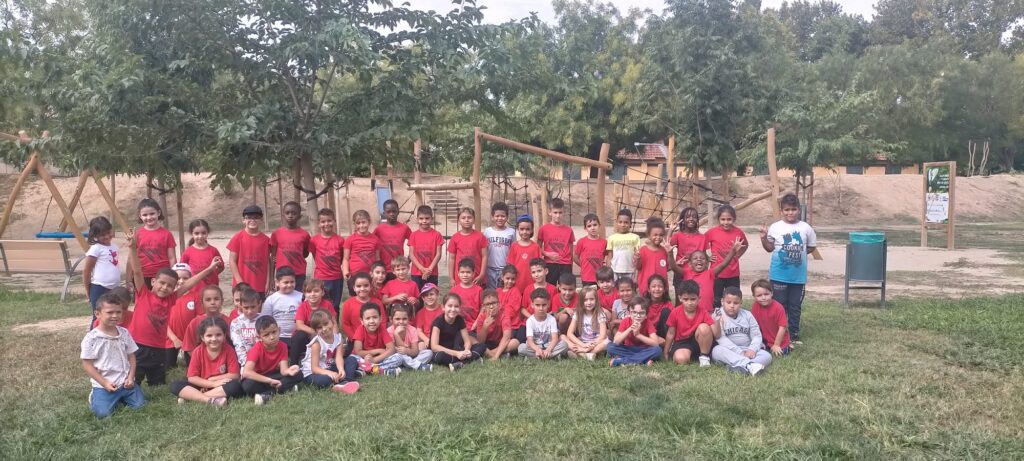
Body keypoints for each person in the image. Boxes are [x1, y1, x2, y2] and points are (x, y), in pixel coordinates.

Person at [126, 228, 219, 386]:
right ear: (153, 282)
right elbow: (137, 272)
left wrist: (209, 269)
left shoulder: (170, 299)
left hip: (159, 348)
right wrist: (132, 248)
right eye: (161, 283)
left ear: (174, 287)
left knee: (158, 384)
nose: (165, 287)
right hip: (138, 346)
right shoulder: (143, 294)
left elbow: (190, 283)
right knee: (133, 382)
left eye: (170, 285)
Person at [759, 193, 816, 345]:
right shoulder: (775, 227)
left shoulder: (806, 228)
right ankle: (778, 334)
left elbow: (811, 247)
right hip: (778, 276)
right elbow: (769, 248)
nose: (790, 213)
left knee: (795, 306)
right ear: (781, 210)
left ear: (799, 209)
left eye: (793, 209)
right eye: (787, 210)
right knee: (779, 305)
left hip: (797, 277)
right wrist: (764, 238)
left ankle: (794, 334)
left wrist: (797, 254)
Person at [81, 292, 144, 418]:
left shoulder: (124, 333)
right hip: (104, 385)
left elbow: (131, 357)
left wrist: (131, 377)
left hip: (125, 383)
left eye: (118, 312)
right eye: (109, 312)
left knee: (140, 406)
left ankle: (121, 397)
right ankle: (95, 397)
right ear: (97, 314)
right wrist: (104, 383)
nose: (115, 316)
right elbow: (87, 365)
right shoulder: (91, 338)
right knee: (102, 414)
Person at [169, 316, 243, 406]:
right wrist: (211, 384)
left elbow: (234, 375)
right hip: (201, 384)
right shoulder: (197, 351)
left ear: (224, 335)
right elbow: (192, 377)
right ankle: (211, 400)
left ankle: (191, 397)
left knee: (235, 386)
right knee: (175, 385)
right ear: (202, 337)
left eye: (218, 335)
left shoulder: (229, 350)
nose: (214, 339)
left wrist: (214, 380)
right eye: (209, 335)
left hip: (220, 385)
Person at [241, 316, 303, 405]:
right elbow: (246, 372)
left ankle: (268, 394)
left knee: (299, 374)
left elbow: (283, 371)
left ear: (279, 330)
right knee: (248, 386)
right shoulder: (256, 349)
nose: (272, 337)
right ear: (259, 337)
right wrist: (269, 381)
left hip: (274, 375)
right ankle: (286, 388)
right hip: (259, 378)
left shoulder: (283, 346)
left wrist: (289, 370)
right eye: (266, 335)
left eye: (274, 332)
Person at [711, 286, 771, 375]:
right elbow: (721, 339)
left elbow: (756, 335)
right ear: (722, 301)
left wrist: (752, 349)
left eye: (736, 303)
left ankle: (741, 366)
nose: (732, 306)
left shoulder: (747, 314)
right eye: (728, 302)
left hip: (747, 349)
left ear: (741, 303)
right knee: (716, 351)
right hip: (730, 350)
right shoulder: (718, 315)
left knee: (767, 355)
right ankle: (750, 365)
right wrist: (740, 352)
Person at [301, 310, 360, 394]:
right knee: (325, 380)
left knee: (352, 360)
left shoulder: (338, 338)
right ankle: (341, 381)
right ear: (315, 330)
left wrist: (341, 369)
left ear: (332, 321)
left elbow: (339, 357)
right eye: (319, 327)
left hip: (328, 366)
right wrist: (330, 373)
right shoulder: (316, 344)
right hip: (313, 373)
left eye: (326, 324)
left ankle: (346, 381)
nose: (324, 329)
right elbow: (314, 369)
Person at [686, 235, 744, 314]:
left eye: (702, 258)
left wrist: (733, 251)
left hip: (708, 312)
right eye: (695, 258)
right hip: (692, 312)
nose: (699, 260)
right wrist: (670, 254)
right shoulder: (686, 273)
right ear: (689, 264)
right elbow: (674, 267)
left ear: (707, 263)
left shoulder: (710, 273)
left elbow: (723, 264)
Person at [704, 205, 748, 307]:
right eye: (723, 219)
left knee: (733, 299)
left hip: (733, 273)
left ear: (734, 219)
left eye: (729, 219)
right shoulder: (712, 232)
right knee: (716, 300)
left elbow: (745, 245)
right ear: (718, 219)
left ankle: (731, 316)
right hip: (717, 274)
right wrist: (707, 258)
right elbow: (701, 244)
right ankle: (716, 316)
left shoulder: (738, 232)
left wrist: (737, 255)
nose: (726, 222)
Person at [663, 280, 714, 366]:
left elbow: (713, 330)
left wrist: (717, 321)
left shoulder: (703, 311)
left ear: (699, 298)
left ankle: (704, 357)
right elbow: (671, 333)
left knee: (704, 327)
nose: (689, 303)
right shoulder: (675, 312)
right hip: (682, 342)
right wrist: (666, 352)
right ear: (680, 298)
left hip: (698, 341)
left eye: (693, 299)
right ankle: (690, 355)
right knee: (681, 359)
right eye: (686, 299)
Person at [129, 198, 176, 289]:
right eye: (145, 215)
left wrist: (173, 275)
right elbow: (131, 257)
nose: (149, 217)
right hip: (141, 276)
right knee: (143, 298)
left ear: (158, 213)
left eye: (152, 213)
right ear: (140, 216)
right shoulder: (136, 234)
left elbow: (172, 258)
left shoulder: (167, 234)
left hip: (162, 276)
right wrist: (128, 278)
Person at [261, 267, 303, 364]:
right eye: (286, 282)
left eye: (292, 282)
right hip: (278, 337)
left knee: (301, 338)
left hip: (296, 337)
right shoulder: (271, 299)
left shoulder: (301, 297)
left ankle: (296, 361)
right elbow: (265, 320)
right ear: (277, 282)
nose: (289, 285)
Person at [228, 205, 272, 297]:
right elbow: (232, 261)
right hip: (242, 285)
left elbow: (268, 261)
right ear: (243, 220)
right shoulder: (237, 238)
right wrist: (239, 282)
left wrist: (268, 281)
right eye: (249, 217)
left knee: (259, 306)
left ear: (261, 220)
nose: (252, 220)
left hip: (260, 285)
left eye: (256, 217)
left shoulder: (266, 240)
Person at [430, 293, 483, 370]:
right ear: (443, 307)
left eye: (456, 306)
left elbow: (467, 341)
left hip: (457, 349)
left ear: (460, 308)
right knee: (439, 357)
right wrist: (456, 354)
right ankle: (470, 360)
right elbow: (434, 347)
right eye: (450, 306)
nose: (453, 309)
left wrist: (467, 350)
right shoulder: (438, 322)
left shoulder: (460, 319)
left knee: (482, 346)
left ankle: (459, 363)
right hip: (442, 351)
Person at [83, 216, 120, 324]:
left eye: (108, 232)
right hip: (99, 287)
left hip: (114, 288)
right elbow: (86, 271)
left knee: (113, 315)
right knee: (98, 317)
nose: (107, 236)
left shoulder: (114, 246)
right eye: (102, 235)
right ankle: (93, 335)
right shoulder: (96, 249)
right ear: (95, 236)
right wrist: (87, 289)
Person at [291, 279, 337, 366]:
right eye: (309, 291)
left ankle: (328, 361)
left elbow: (334, 323)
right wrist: (316, 333)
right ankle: (294, 364)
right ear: (304, 294)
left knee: (335, 341)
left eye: (316, 291)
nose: (312, 294)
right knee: (299, 335)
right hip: (307, 336)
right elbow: (299, 325)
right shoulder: (303, 306)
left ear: (322, 292)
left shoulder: (327, 304)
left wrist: (335, 337)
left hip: (325, 334)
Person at [180, 285, 228, 366]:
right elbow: (189, 347)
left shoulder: (229, 321)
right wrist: (203, 363)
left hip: (223, 362)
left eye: (216, 299)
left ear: (222, 301)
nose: (212, 302)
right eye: (208, 300)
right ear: (202, 303)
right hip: (200, 362)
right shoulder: (195, 322)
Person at [164, 263, 201, 368]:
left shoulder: (196, 296)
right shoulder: (167, 297)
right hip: (171, 339)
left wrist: (192, 339)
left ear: (191, 279)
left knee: (193, 364)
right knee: (168, 367)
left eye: (185, 278)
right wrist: (174, 339)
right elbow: (163, 322)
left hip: (190, 339)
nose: (181, 281)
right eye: (178, 278)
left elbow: (199, 319)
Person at [308, 208, 346, 311]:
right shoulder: (314, 240)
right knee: (321, 305)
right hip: (321, 278)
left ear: (334, 221)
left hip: (337, 278)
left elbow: (341, 258)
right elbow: (315, 256)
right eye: (323, 221)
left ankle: (334, 321)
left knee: (335, 306)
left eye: (329, 221)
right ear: (318, 223)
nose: (326, 224)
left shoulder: (340, 240)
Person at [351, 303, 403, 376]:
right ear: (362, 321)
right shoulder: (360, 330)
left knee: (399, 358)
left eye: (375, 317)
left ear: (380, 318)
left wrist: (374, 360)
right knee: (352, 358)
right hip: (363, 358)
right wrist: (377, 351)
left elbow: (392, 349)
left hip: (379, 359)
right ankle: (380, 370)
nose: (372, 321)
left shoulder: (382, 329)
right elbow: (358, 352)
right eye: (368, 318)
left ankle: (369, 369)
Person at [608, 296, 662, 367]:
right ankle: (643, 360)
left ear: (646, 315)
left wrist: (638, 335)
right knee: (610, 347)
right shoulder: (625, 321)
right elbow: (616, 341)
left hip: (643, 349)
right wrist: (630, 328)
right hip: (628, 348)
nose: (638, 316)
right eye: (634, 312)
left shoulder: (648, 322)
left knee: (657, 350)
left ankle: (622, 361)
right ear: (629, 313)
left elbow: (656, 343)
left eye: (642, 313)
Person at [270, 201, 311, 291]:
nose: (290, 215)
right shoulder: (276, 234)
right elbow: (273, 257)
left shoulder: (305, 234)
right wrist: (271, 278)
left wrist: (294, 256)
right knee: (283, 298)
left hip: (299, 274)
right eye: (287, 213)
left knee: (298, 298)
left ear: (299, 216)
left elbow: (305, 253)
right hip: (282, 274)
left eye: (294, 213)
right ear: (283, 215)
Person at [517, 288, 568, 359]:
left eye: (544, 305)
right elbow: (530, 341)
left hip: (549, 346)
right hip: (535, 347)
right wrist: (537, 349)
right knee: (521, 348)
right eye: (537, 305)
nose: (541, 308)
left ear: (548, 304)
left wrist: (548, 349)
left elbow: (555, 338)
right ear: (532, 305)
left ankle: (538, 357)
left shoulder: (552, 319)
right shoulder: (530, 321)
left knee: (564, 345)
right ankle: (550, 356)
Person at [343, 209, 381, 296]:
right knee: (355, 298)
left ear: (369, 222)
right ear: (354, 224)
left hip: (370, 275)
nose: (361, 225)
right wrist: (345, 271)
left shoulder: (375, 239)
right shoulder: (350, 239)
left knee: (370, 298)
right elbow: (345, 258)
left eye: (364, 222)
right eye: (358, 223)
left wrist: (377, 274)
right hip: (354, 276)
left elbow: (377, 259)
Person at [636, 217, 678, 296]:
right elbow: (638, 267)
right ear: (649, 235)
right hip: (646, 289)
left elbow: (667, 267)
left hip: (661, 289)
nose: (658, 237)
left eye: (660, 235)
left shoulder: (664, 251)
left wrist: (676, 264)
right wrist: (637, 258)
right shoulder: (643, 250)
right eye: (655, 235)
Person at [537, 198, 575, 285]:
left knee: (566, 287)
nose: (558, 215)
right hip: (550, 263)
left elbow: (571, 252)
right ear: (550, 212)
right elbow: (537, 247)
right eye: (555, 212)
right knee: (550, 288)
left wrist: (571, 267)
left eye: (560, 212)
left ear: (564, 213)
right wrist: (546, 254)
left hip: (565, 264)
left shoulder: (569, 230)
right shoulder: (543, 229)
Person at [471, 289, 517, 360]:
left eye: (494, 303)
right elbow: (480, 341)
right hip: (486, 344)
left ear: (499, 304)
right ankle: (501, 354)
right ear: (484, 306)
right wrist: (485, 327)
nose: (491, 307)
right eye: (488, 304)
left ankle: (489, 354)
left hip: (500, 343)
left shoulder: (504, 314)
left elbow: (507, 337)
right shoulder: (482, 317)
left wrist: (496, 356)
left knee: (515, 342)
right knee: (471, 339)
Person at [749, 279, 791, 356]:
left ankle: (787, 345)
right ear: (754, 296)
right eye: (759, 295)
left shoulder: (778, 308)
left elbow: (783, 327)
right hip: (765, 340)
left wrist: (776, 345)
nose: (763, 298)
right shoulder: (755, 306)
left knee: (781, 353)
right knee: (757, 352)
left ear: (772, 293)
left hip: (780, 340)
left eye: (766, 294)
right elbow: (754, 325)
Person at [565, 286, 608, 360]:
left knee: (607, 342)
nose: (589, 303)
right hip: (583, 341)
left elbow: (603, 335)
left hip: (596, 342)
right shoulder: (578, 314)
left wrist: (590, 346)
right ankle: (588, 354)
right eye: (585, 300)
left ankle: (582, 353)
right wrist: (583, 345)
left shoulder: (600, 314)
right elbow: (569, 333)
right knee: (562, 337)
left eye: (591, 299)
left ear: (596, 300)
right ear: (581, 302)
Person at [448, 207, 488, 287]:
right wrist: (451, 278)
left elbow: (485, 256)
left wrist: (482, 274)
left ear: (474, 220)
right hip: (460, 279)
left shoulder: (480, 237)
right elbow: (451, 258)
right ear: (458, 221)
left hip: (477, 278)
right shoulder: (455, 238)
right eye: (463, 218)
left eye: (469, 217)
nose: (466, 220)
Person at [387, 304, 434, 370]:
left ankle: (407, 366)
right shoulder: (389, 331)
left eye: (404, 319)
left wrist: (407, 351)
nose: (401, 322)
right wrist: (396, 334)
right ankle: (416, 365)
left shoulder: (412, 330)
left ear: (408, 319)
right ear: (391, 319)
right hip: (397, 356)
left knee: (429, 353)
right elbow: (396, 351)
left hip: (410, 356)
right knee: (399, 356)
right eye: (397, 319)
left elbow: (415, 351)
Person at [407, 205, 444, 289]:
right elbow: (411, 255)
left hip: (432, 272)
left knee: (431, 294)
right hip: (416, 272)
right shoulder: (413, 235)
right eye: (421, 218)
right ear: (417, 219)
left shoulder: (437, 235)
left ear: (432, 219)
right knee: (417, 295)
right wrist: (422, 269)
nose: (424, 221)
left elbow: (438, 254)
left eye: (427, 218)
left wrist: (429, 270)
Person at [180, 219, 224, 288]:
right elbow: (182, 269)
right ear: (192, 234)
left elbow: (221, 266)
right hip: (194, 287)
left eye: (203, 233)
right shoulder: (187, 252)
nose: (200, 236)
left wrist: (212, 274)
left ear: (207, 233)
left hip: (211, 287)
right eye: (196, 233)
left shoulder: (213, 250)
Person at [373, 199, 411, 277]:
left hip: (398, 269)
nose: (391, 214)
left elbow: (415, 243)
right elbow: (371, 244)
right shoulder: (379, 229)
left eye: (394, 211)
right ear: (384, 213)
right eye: (389, 212)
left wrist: (408, 260)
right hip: (383, 270)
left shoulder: (404, 228)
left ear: (398, 212)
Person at [670, 207, 704, 291]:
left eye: (694, 217)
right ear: (682, 220)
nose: (691, 219)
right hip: (680, 271)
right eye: (688, 217)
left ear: (697, 220)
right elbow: (667, 245)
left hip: (696, 273)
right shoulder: (678, 235)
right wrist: (671, 230)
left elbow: (704, 255)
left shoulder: (702, 237)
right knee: (680, 297)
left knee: (695, 296)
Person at [506, 214, 541, 295]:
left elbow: (539, 267)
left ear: (532, 230)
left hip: (532, 283)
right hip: (517, 282)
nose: (524, 232)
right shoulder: (514, 246)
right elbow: (510, 266)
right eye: (522, 229)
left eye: (527, 229)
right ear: (517, 229)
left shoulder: (536, 247)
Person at [483, 202, 516, 289]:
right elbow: (484, 251)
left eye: (502, 216)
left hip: (505, 268)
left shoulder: (511, 232)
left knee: (504, 291)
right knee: (491, 292)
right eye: (497, 216)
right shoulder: (487, 232)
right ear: (492, 217)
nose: (500, 218)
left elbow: (513, 249)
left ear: (507, 217)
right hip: (490, 267)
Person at [341, 272, 380, 341]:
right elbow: (345, 324)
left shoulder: (377, 303)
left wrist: (377, 337)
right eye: (358, 286)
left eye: (366, 285)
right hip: (355, 339)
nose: (362, 289)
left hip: (376, 340)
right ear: (354, 288)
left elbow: (382, 322)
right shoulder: (348, 304)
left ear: (370, 286)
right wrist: (355, 339)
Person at [230, 287, 263, 366]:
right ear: (240, 305)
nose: (249, 311)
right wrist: (246, 364)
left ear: (259, 304)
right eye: (246, 307)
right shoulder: (236, 323)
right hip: (245, 362)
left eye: (253, 307)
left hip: (263, 360)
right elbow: (238, 345)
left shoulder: (264, 320)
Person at [574, 213, 607, 288]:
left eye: (595, 225)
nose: (592, 228)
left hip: (600, 276)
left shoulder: (604, 242)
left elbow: (605, 255)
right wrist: (582, 265)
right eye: (589, 226)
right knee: (588, 294)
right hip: (587, 277)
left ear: (599, 226)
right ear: (585, 228)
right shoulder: (581, 242)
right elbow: (575, 257)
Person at [606, 209, 640, 281]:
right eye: (620, 222)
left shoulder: (635, 237)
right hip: (615, 270)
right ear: (616, 222)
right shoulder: (611, 238)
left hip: (630, 270)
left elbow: (637, 256)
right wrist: (608, 271)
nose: (623, 225)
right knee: (615, 288)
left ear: (630, 223)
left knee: (629, 288)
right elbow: (609, 257)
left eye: (626, 222)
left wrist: (636, 272)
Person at [449, 258, 483, 326]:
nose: (465, 275)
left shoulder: (479, 290)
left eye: (468, 272)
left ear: (473, 274)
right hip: (456, 325)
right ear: (458, 273)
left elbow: (483, 308)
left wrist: (476, 323)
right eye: (462, 272)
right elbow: (449, 308)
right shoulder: (453, 290)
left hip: (473, 325)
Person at [497, 266, 525, 346]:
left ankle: (496, 351)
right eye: (507, 278)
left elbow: (510, 311)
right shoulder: (498, 291)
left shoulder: (515, 291)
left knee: (509, 341)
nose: (510, 281)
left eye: (513, 279)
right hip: (499, 326)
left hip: (512, 326)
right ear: (502, 277)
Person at [644, 274, 673, 338]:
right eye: (653, 286)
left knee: (666, 311)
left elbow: (672, 323)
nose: (657, 289)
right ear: (649, 289)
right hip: (647, 333)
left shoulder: (668, 304)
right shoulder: (644, 304)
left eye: (660, 286)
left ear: (664, 289)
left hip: (662, 334)